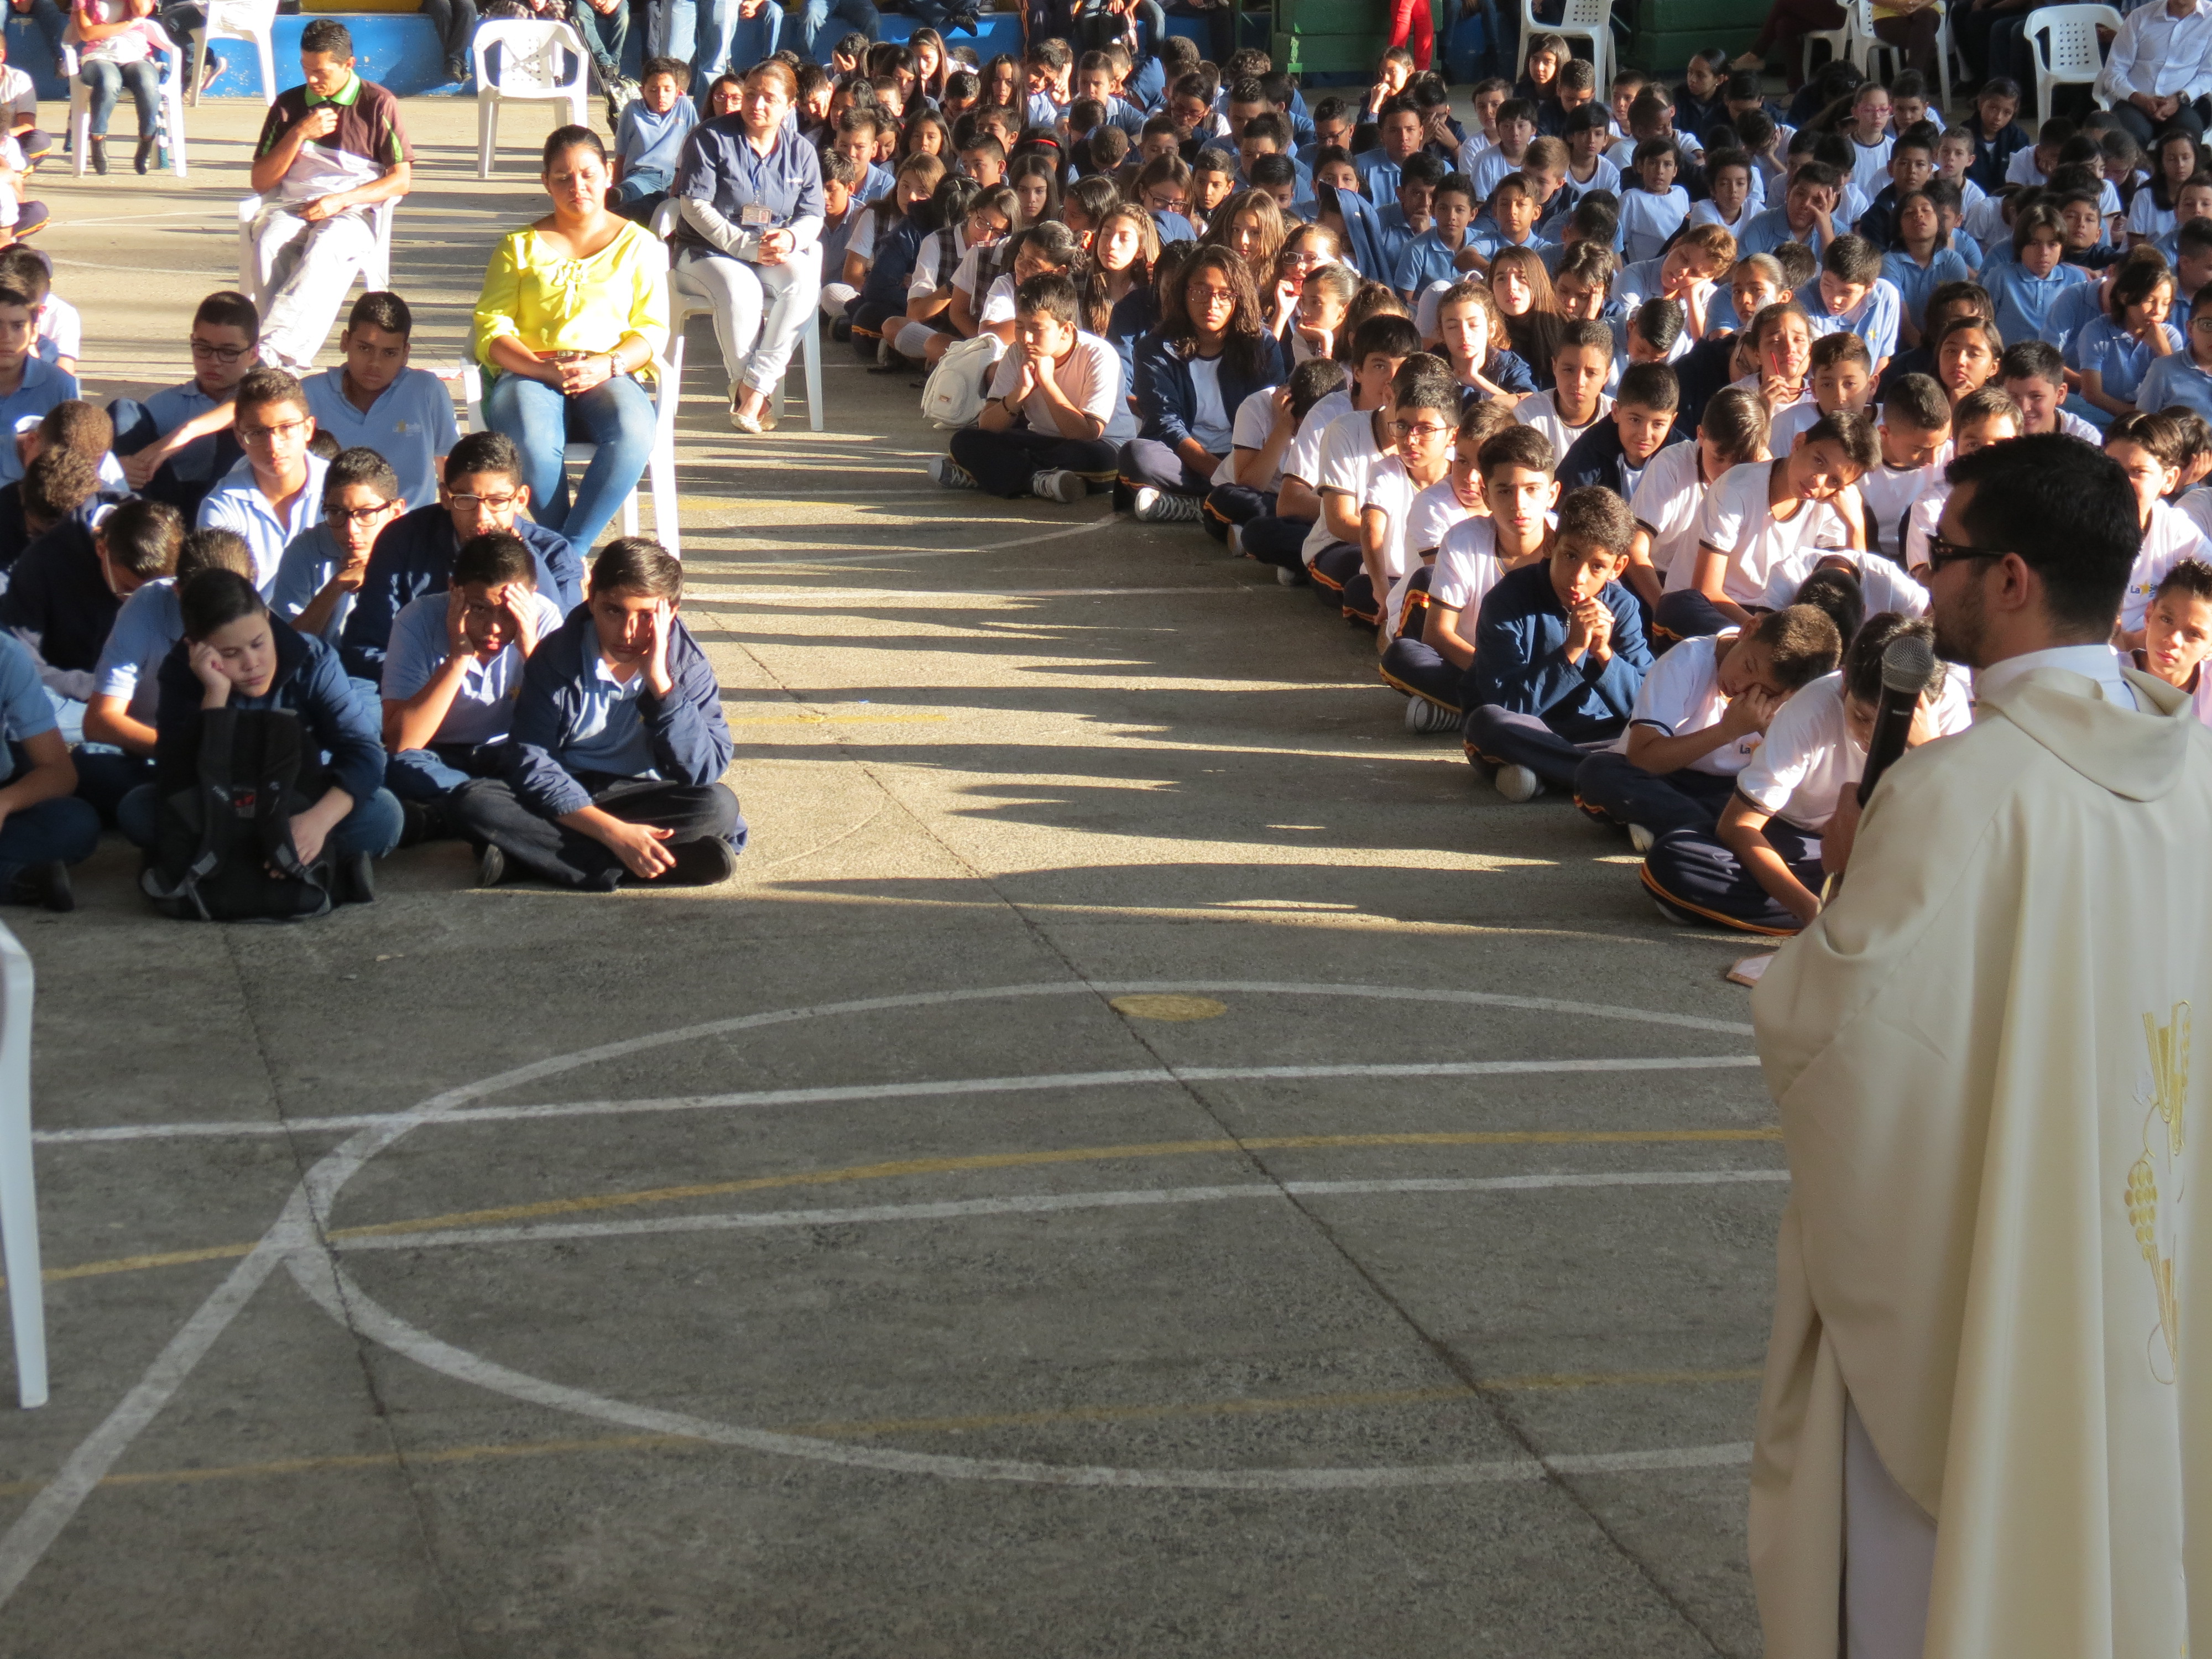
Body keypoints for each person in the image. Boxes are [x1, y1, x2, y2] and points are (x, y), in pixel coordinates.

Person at [1745, 429, 2212, 1659]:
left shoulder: (1957, 793)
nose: (1925, 578)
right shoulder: (2194, 770)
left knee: (1946, 1583)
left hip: (1979, 1287)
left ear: (2009, 579)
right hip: (2141, 1246)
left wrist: (1846, 887)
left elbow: (1832, 1038)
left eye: (1944, 554)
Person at [452, 538, 743, 890]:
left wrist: (663, 690)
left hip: (644, 794)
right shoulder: (556, 657)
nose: (628, 632)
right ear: (591, 600)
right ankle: (639, 864)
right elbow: (533, 760)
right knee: (475, 801)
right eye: (613, 611)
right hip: (569, 790)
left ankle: (531, 860)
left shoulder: (687, 667)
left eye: (646, 616)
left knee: (719, 807)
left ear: (672, 611)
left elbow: (704, 769)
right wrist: (613, 833)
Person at [122, 567, 402, 900]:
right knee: (137, 810)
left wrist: (317, 821)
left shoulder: (313, 659)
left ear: (268, 620)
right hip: (221, 806)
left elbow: (365, 751)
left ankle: (255, 860)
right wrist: (214, 699)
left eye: (258, 644)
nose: (252, 663)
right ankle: (307, 864)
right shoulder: (181, 673)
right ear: (196, 648)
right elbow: (176, 773)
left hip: (296, 801)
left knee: (383, 815)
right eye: (230, 654)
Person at [472, 125, 670, 560]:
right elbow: (491, 329)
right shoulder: (517, 247)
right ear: (546, 182)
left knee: (634, 433)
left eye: (587, 174)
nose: (576, 186)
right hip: (530, 372)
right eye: (562, 177)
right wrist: (540, 369)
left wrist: (608, 364)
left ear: (609, 174)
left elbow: (652, 330)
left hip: (608, 370)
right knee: (532, 443)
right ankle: (567, 564)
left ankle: (562, 558)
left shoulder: (638, 245)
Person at [1574, 603, 1843, 848]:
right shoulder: (1687, 660)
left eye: (1764, 691)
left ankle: (1677, 829)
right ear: (1749, 630)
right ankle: (1711, 837)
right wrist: (1727, 731)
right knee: (1598, 772)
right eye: (1748, 667)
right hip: (1664, 776)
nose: (1741, 686)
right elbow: (1642, 757)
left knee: (1776, 808)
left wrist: (1773, 727)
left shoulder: (1793, 701)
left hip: (1731, 789)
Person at [338, 430, 583, 682]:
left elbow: (567, 655)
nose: (482, 517)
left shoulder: (554, 556)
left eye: (497, 501)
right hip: (414, 687)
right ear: (446, 497)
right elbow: (370, 645)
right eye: (466, 499)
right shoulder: (403, 540)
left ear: (520, 499)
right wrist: (433, 681)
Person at [1460, 484, 1651, 802]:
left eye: (1597, 566)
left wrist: (1604, 655)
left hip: (1600, 734)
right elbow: (1508, 703)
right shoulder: (1507, 600)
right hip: (1532, 732)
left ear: (1617, 567)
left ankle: (1550, 777)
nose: (1578, 577)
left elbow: (1647, 704)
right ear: (1551, 543)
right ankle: (1608, 779)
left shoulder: (1623, 607)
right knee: (1487, 723)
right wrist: (1572, 650)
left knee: (1664, 732)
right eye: (1570, 556)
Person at [243, 21, 412, 375]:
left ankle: (270, 353)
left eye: (321, 71)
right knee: (269, 241)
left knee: (326, 244)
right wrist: (299, 133)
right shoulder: (289, 104)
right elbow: (261, 182)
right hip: (293, 207)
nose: (312, 79)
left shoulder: (378, 103)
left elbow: (400, 180)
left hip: (353, 210)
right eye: (305, 68)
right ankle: (284, 362)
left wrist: (341, 201)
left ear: (349, 65)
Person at [380, 529, 566, 843]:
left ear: (530, 597)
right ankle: (498, 811)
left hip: (508, 752)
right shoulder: (417, 619)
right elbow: (402, 742)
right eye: (479, 608)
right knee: (394, 769)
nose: (494, 628)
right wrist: (458, 657)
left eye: (508, 612)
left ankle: (443, 817)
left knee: (558, 769)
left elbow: (562, 728)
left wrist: (530, 652)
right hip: (437, 756)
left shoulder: (544, 618)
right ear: (454, 588)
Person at [671, 61, 823, 436]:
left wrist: (791, 238)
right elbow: (694, 206)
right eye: (751, 95)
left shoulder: (801, 151)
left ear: (790, 106)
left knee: (804, 279)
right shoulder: (709, 137)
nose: (757, 105)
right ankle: (750, 392)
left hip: (770, 250)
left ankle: (754, 389)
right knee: (741, 289)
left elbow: (813, 215)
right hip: (707, 252)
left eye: (769, 98)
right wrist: (745, 246)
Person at [1379, 421, 1556, 726]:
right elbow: (1437, 634)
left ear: (1552, 494)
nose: (1519, 505)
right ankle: (1504, 715)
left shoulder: (1570, 543)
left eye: (1532, 490)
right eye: (1505, 491)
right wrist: (1499, 677)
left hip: (1550, 676)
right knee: (1401, 656)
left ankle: (1467, 715)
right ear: (1487, 497)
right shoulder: (1463, 540)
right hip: (1478, 664)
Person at [80, 525, 252, 824]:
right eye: (205, 609)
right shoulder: (147, 605)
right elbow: (100, 720)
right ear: (177, 590)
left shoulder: (260, 626)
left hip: (232, 766)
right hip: (157, 752)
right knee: (91, 763)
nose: (217, 624)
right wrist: (183, 752)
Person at [1661, 408, 1877, 638]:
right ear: (1798, 443)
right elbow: (1707, 590)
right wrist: (1767, 634)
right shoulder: (1736, 488)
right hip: (1702, 609)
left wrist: (1856, 526)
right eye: (1819, 461)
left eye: (1834, 481)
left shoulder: (1830, 506)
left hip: (1765, 616)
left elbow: (1844, 597)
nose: (1818, 481)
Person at [1122, 243, 1285, 523]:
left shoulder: (1262, 345)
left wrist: (1241, 473)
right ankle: (1221, 502)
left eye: (1225, 294)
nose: (1212, 304)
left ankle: (1195, 505)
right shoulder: (1154, 348)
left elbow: (1270, 417)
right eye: (1200, 292)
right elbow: (1165, 423)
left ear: (1240, 298)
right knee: (1138, 456)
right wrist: (1222, 476)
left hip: (1245, 457)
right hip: (1185, 457)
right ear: (1183, 293)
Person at [935, 273, 1120, 503]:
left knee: (1095, 458)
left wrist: (1047, 382)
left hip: (1098, 447)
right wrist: (1020, 392)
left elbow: (1086, 434)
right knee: (965, 440)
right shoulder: (1017, 352)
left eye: (1037, 329)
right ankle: (1038, 481)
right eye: (1020, 327)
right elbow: (988, 426)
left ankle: (987, 475)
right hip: (1041, 441)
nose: (1026, 338)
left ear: (1066, 330)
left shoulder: (1098, 355)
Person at [299, 292, 457, 511]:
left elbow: (450, 466)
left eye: (389, 353)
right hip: (334, 522)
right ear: (345, 342)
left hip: (410, 524)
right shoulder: (308, 394)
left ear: (405, 354)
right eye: (365, 348)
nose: (375, 363)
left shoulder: (426, 391)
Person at [109, 291, 257, 518]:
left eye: (229, 352)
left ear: (254, 354)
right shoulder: (164, 404)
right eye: (203, 348)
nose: (214, 361)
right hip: (164, 513)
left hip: (229, 510)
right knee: (124, 411)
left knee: (249, 422)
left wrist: (186, 433)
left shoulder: (265, 395)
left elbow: (250, 404)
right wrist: (115, 468)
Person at [270, 447, 404, 647]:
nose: (351, 529)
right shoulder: (305, 549)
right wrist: (336, 587)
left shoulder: (414, 548)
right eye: (336, 512)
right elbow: (287, 646)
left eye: (365, 513)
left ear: (395, 511)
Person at [2095, 0, 2212, 146]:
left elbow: (2209, 75)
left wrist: (2179, 98)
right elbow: (2114, 70)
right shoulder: (2140, 17)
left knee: (2185, 139)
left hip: (2183, 105)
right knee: (2126, 142)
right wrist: (2138, 98)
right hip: (2135, 102)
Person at [610, 56, 697, 226]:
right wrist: (616, 185)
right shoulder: (632, 111)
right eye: (653, 90)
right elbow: (621, 154)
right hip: (642, 176)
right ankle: (619, 200)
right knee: (630, 193)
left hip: (677, 177)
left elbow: (696, 145)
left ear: (678, 91)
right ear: (643, 91)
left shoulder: (685, 106)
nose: (661, 95)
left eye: (667, 90)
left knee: (671, 203)